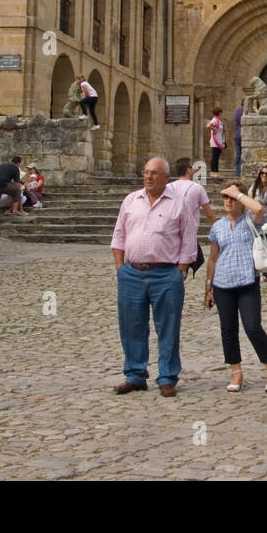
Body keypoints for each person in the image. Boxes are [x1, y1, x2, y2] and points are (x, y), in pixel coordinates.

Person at [111, 157, 198, 397]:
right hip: (132, 273)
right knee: (131, 327)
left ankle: (167, 376)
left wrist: (179, 272)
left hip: (166, 274)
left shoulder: (179, 204)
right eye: (146, 172)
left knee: (168, 327)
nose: (148, 177)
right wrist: (120, 269)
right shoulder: (130, 200)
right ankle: (135, 375)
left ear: (166, 178)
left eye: (154, 173)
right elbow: (119, 236)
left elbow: (189, 242)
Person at [206, 183, 267, 393]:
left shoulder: (250, 221)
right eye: (225, 198)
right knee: (228, 330)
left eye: (232, 198)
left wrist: (237, 192)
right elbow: (213, 258)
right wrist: (208, 287)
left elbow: (258, 209)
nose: (228, 201)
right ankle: (236, 371)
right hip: (222, 284)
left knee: (253, 327)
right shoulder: (217, 226)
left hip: (247, 282)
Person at [168, 157, 213, 277]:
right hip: (188, 234)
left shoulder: (169, 187)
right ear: (188, 170)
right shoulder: (197, 188)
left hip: (170, 232)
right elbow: (208, 212)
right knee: (182, 271)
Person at [0, 156, 23, 235]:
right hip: (2, 184)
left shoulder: (2, 165)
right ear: (18, 163)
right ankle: (15, 210)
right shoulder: (15, 168)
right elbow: (17, 184)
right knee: (17, 191)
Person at [208, 107, 226, 174]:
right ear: (219, 113)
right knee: (215, 157)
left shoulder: (218, 120)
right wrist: (214, 129)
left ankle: (216, 171)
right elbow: (208, 126)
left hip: (219, 141)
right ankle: (213, 171)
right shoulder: (215, 120)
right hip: (215, 142)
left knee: (217, 157)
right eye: (221, 112)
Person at [233, 100, 245, 177]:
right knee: (243, 155)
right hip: (243, 135)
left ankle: (237, 172)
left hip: (237, 135)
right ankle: (241, 172)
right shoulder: (244, 111)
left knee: (238, 154)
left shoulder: (236, 110)